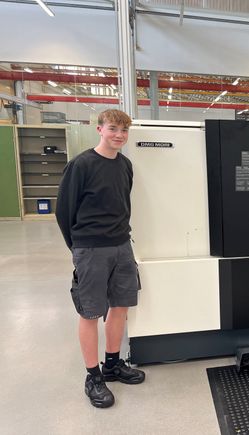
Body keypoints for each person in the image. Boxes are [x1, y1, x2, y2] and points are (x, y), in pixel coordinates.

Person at [56, 109, 145, 408]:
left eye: (124, 130)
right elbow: (64, 211)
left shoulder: (125, 165)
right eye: (113, 129)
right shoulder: (81, 165)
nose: (119, 135)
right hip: (91, 248)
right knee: (91, 313)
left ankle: (112, 365)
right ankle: (93, 377)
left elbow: (123, 203)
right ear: (100, 130)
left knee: (120, 308)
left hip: (122, 245)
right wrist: (78, 248)